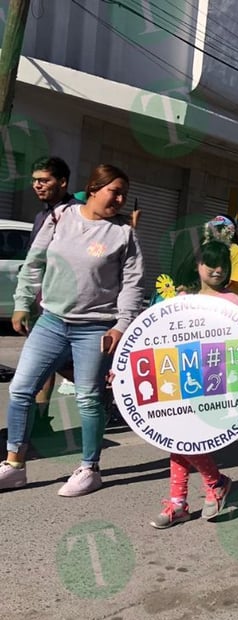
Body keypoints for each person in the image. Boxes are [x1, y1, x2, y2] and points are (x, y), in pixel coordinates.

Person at [0, 164, 144, 495]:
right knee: (20, 389)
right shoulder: (60, 217)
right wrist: (23, 302)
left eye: (123, 193)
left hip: (95, 328)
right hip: (51, 321)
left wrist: (121, 326)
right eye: (114, 191)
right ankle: (14, 465)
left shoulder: (124, 234)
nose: (120, 199)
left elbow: (133, 286)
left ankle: (89, 469)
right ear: (94, 189)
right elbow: (34, 262)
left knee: (89, 398)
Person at [150, 240, 236, 528]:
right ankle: (182, 500)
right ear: (197, 265)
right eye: (210, 262)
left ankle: (212, 483)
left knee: (189, 438)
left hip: (214, 379)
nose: (217, 269)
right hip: (181, 376)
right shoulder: (182, 298)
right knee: (176, 437)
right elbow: (156, 338)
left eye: (223, 263)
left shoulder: (232, 302)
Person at [26, 157, 82, 438]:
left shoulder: (78, 214)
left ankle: (112, 399)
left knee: (72, 367)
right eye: (35, 179)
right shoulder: (42, 216)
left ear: (62, 182)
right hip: (43, 303)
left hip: (70, 306)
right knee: (45, 363)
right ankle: (40, 418)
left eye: (44, 180)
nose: (37, 185)